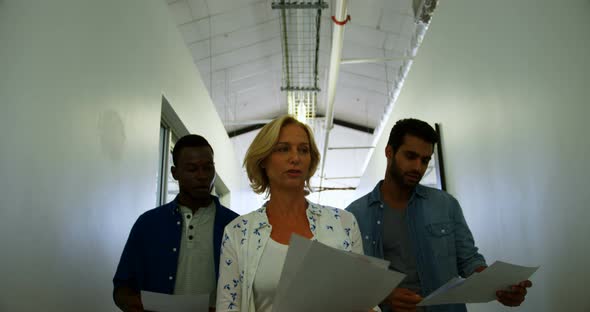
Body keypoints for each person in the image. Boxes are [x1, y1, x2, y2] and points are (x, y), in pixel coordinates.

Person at [346, 118, 532, 312]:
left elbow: (469, 261)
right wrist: (386, 296)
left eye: (425, 160)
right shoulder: (355, 215)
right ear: (389, 152)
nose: (418, 167)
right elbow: (353, 281)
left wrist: (500, 287)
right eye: (410, 156)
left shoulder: (445, 205)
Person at [215, 115, 374, 312]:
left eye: (303, 150)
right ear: (263, 159)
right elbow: (228, 307)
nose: (295, 158)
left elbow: (365, 298)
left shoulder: (344, 223)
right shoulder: (238, 232)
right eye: (283, 149)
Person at [113, 134, 239, 312]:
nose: (202, 176)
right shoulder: (148, 224)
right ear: (175, 173)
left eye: (208, 168)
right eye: (192, 169)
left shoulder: (235, 225)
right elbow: (122, 287)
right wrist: (131, 303)